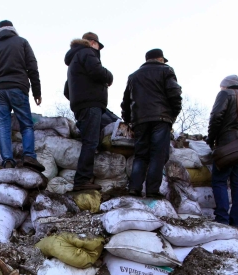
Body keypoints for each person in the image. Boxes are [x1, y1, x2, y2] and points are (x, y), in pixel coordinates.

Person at [0, 20, 44, 172]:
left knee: (3, 126)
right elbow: (32, 67)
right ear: (13, 30)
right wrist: (37, 92)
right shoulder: (22, 42)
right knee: (26, 124)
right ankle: (29, 155)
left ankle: (7, 160)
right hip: (18, 87)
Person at [121, 49, 182, 198]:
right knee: (158, 155)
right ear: (160, 59)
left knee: (141, 155)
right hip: (161, 119)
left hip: (140, 120)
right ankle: (152, 190)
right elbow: (175, 94)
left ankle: (134, 188)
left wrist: (129, 120)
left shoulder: (133, 76)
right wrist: (172, 115)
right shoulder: (166, 71)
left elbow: (126, 102)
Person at [64, 32, 114, 191]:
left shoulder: (74, 61)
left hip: (82, 106)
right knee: (91, 142)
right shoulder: (87, 53)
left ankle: (86, 178)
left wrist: (78, 98)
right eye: (98, 46)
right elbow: (97, 72)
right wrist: (109, 77)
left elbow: (67, 90)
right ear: (93, 43)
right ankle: (82, 180)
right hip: (91, 105)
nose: (98, 49)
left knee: (92, 140)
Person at [207, 75, 238, 228]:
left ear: (225, 85)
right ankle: (237, 222)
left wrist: (211, 138)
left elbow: (216, 116)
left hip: (228, 142)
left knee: (219, 180)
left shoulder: (225, 94)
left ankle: (222, 219)